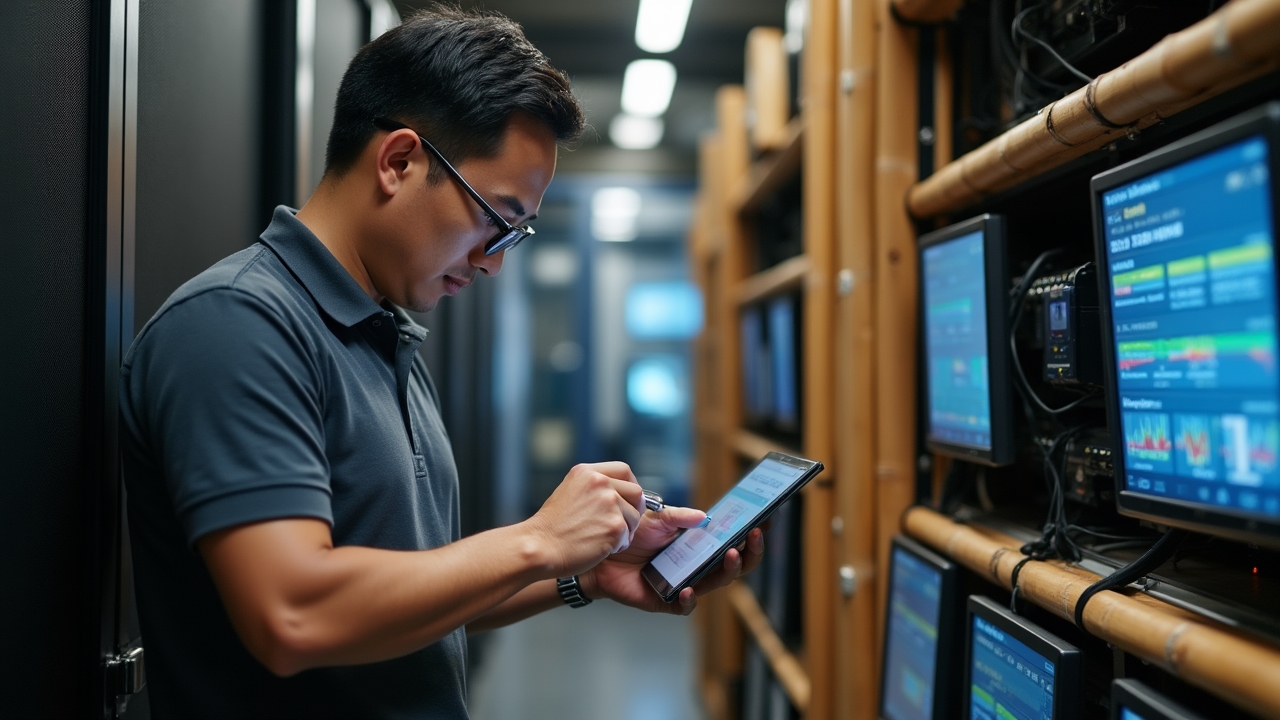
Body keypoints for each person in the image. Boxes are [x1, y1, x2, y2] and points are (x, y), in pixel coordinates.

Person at [119, 6, 764, 719]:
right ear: (399, 161)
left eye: (515, 235)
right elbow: (293, 613)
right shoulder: (236, 325)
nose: (492, 263)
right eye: (495, 218)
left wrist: (579, 572)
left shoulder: (384, 332)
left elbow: (412, 596)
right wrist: (537, 541)